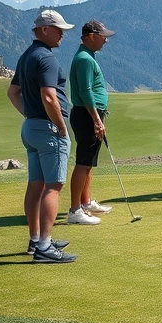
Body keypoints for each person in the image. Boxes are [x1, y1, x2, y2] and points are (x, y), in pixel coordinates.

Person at [6, 9, 76, 263]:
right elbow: (49, 96)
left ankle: (36, 240)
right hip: (48, 129)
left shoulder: (26, 56)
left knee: (35, 184)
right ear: (44, 30)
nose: (62, 35)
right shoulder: (47, 58)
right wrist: (60, 126)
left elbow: (13, 92)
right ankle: (45, 248)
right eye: (59, 30)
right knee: (54, 186)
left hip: (31, 128)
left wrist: (30, 113)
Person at [67, 20, 117, 225]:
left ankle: (85, 203)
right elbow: (86, 91)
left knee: (87, 163)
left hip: (89, 114)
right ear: (90, 36)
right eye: (102, 36)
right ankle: (75, 210)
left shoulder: (87, 56)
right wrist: (97, 119)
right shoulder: (85, 59)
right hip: (87, 115)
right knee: (83, 163)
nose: (106, 40)